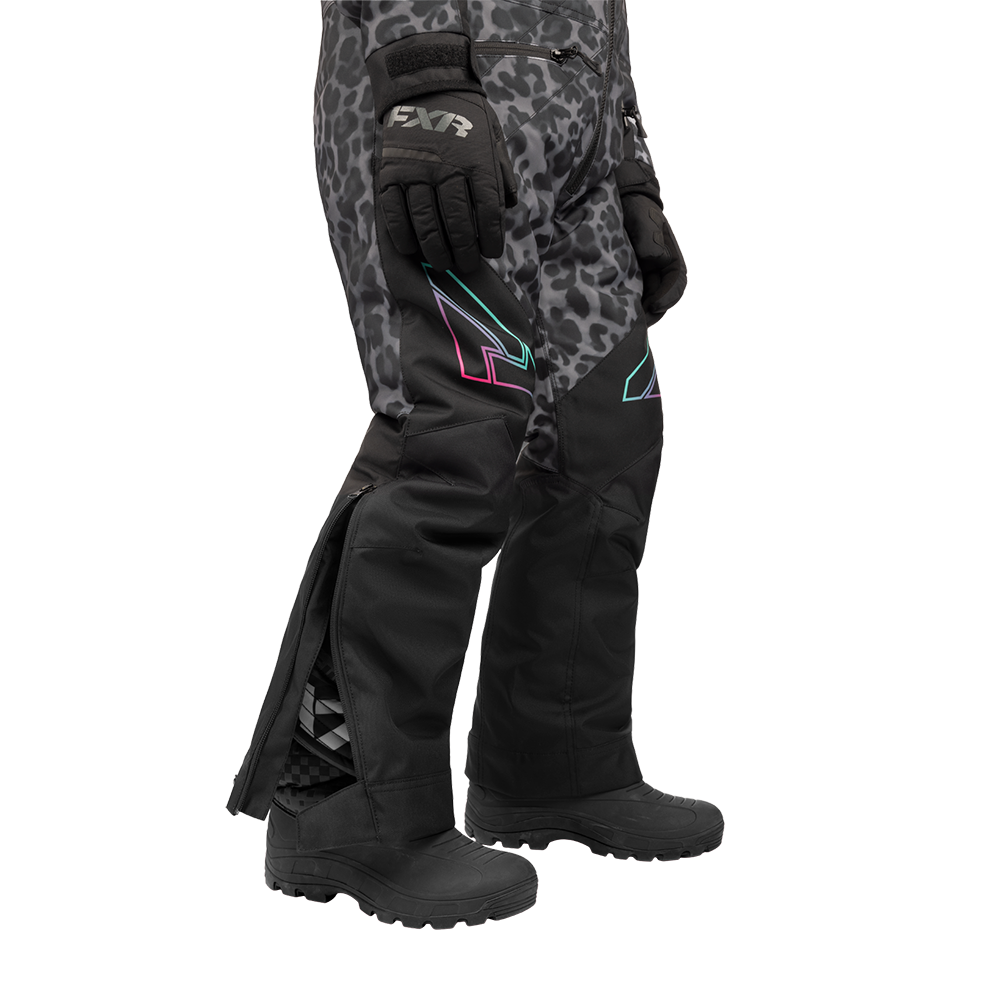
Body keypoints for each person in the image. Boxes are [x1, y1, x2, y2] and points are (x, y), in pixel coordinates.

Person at [227, 0, 723, 929]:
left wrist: (631, 162)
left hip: (574, 129)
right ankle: (344, 803)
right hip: (441, 98)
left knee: (603, 439)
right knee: (449, 434)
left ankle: (555, 765)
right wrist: (422, 78)